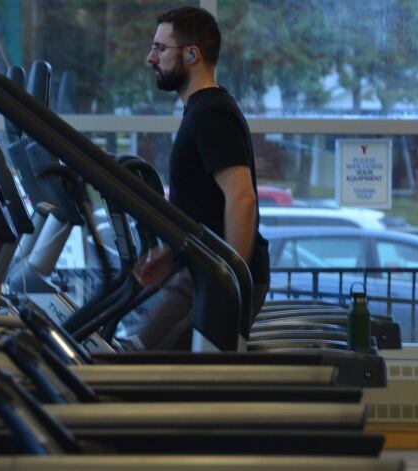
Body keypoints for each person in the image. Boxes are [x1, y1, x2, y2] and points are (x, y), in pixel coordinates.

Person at [132, 6, 270, 350]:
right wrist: (173, 254)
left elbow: (241, 197)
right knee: (142, 355)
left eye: (160, 48)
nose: (151, 58)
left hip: (212, 277)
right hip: (201, 270)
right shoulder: (200, 111)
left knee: (138, 358)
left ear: (192, 53)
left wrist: (228, 280)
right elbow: (204, 208)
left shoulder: (210, 114)